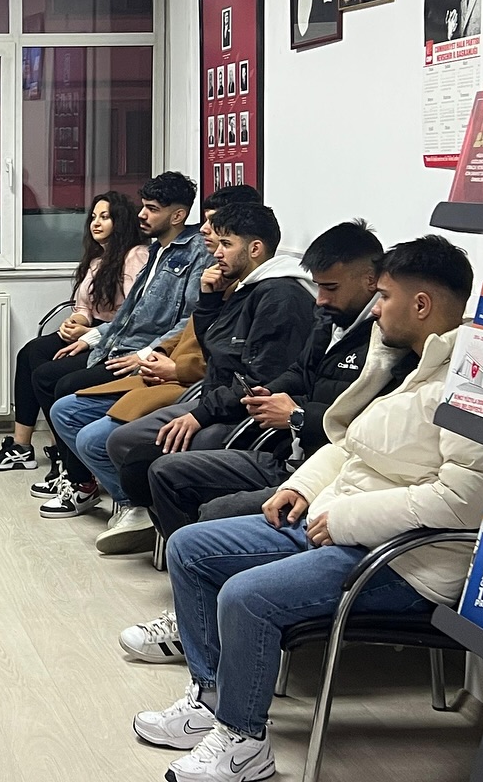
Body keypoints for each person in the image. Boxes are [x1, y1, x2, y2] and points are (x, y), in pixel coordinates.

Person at [131, 236, 483, 782]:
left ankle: (244, 742)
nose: (376, 308)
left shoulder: (470, 382)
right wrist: (301, 486)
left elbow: (462, 501)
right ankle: (210, 699)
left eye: (385, 296)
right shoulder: (405, 363)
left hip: (405, 561)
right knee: (190, 547)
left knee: (246, 597)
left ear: (421, 305)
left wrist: (343, 519)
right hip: (342, 523)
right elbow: (350, 444)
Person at [119, 220, 386, 664]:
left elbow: (363, 431)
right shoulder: (330, 319)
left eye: (331, 288)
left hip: (321, 471)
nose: (320, 299)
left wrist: (297, 416)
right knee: (165, 472)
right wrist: (266, 395)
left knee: (212, 512)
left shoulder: (386, 342)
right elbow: (294, 373)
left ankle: (208, 617)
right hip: (287, 451)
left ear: (371, 280)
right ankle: (197, 605)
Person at [93, 202, 316, 555]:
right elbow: (215, 350)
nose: (216, 253)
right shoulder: (244, 286)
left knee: (146, 462)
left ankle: (189, 545)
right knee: (121, 441)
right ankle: (162, 527)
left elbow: (257, 380)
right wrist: (209, 301)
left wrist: (200, 415)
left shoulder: (280, 297)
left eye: (226, 244)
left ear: (255, 249)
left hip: (241, 414)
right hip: (213, 398)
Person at [31, 184, 254, 515]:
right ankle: (77, 476)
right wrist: (93, 337)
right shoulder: (168, 256)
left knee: (69, 394)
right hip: (153, 359)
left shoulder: (227, 277)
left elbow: (213, 353)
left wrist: (152, 357)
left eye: (218, 230)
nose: (206, 232)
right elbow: (133, 315)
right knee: (42, 366)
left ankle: (101, 491)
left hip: (180, 380)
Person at [0, 191, 148, 471]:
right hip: (92, 330)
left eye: (105, 217)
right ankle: (22, 446)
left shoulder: (136, 256)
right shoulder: (97, 260)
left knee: (48, 374)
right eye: (93, 217)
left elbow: (134, 314)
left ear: (121, 222)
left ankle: (62, 448)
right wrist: (76, 322)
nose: (96, 223)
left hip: (115, 338)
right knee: (30, 353)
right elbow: (83, 306)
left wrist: (89, 333)